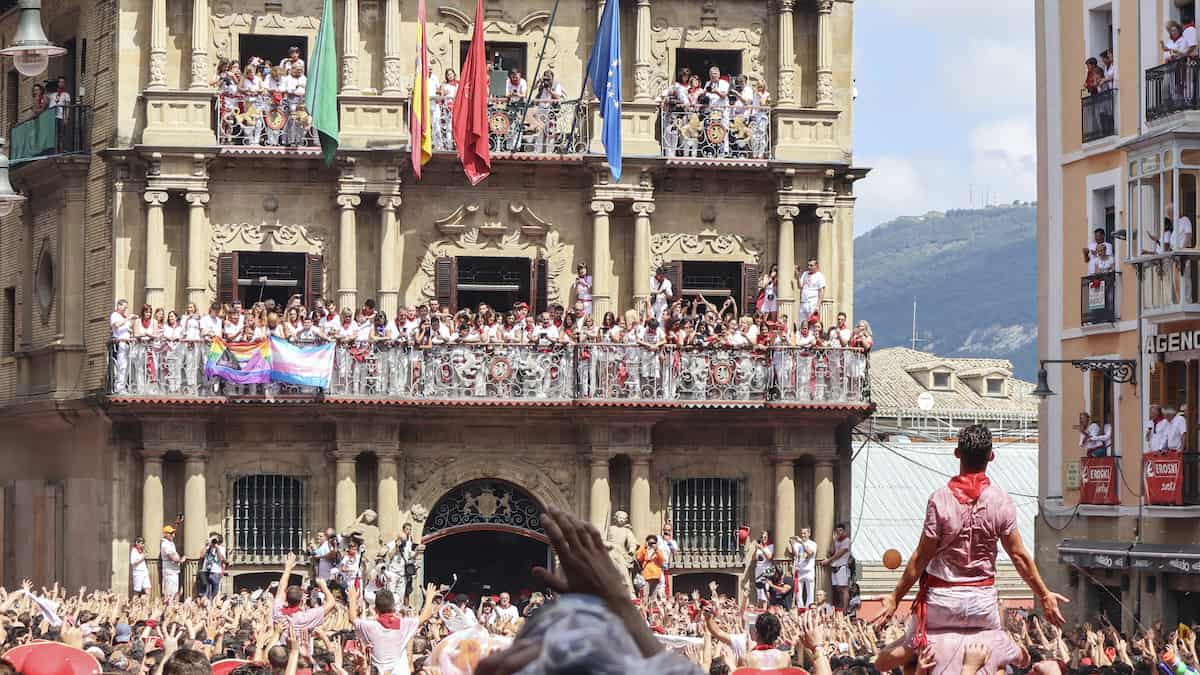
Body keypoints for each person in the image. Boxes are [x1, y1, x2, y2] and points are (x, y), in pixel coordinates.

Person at [872, 424, 1068, 675]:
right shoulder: (1001, 500)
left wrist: (895, 597)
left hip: (941, 603)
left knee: (888, 661)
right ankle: (1017, 654)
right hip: (982, 603)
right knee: (1003, 651)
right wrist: (1043, 595)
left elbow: (921, 557)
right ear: (991, 456)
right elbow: (1019, 556)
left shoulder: (939, 499)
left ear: (957, 454)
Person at [349, 582, 438, 675]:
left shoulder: (369, 627)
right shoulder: (404, 624)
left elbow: (352, 618)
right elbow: (425, 615)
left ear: (375, 609)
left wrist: (352, 598)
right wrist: (429, 597)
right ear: (393, 608)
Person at [272, 552, 337, 647]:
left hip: (280, 650)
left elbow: (281, 588)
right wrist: (323, 586)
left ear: (286, 599)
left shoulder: (278, 610)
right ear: (302, 600)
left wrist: (288, 568)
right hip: (300, 655)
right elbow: (331, 603)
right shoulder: (305, 617)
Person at [819, 523, 851, 608]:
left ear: (844, 531)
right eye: (837, 531)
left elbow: (840, 554)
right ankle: (841, 606)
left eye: (841, 530)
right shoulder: (837, 541)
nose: (839, 533)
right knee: (838, 589)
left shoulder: (847, 540)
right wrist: (833, 541)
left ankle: (845, 609)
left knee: (844, 588)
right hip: (834, 567)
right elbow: (832, 551)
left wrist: (828, 561)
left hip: (842, 567)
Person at [790, 527, 818, 608]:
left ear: (809, 534)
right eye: (802, 533)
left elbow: (810, 553)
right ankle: (800, 609)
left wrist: (802, 543)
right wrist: (792, 544)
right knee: (798, 594)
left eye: (805, 533)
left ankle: (809, 609)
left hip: (809, 571)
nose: (803, 535)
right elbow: (796, 554)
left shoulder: (813, 544)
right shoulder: (797, 544)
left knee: (810, 593)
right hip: (799, 571)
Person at [635, 535, 667, 604]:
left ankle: (650, 612)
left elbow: (661, 560)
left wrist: (657, 550)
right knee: (645, 597)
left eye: (653, 543)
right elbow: (638, 557)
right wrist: (644, 547)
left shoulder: (658, 550)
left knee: (653, 598)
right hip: (646, 576)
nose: (652, 544)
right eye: (650, 543)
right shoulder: (644, 549)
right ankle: (644, 612)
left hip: (655, 576)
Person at [797, 259, 826, 326]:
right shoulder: (805, 274)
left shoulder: (819, 275)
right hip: (804, 302)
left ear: (816, 266)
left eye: (811, 265)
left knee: (813, 322)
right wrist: (798, 276)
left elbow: (822, 291)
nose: (809, 267)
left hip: (812, 302)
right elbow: (800, 286)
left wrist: (817, 305)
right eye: (808, 265)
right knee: (802, 323)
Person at [199, 533, 227, 599]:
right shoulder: (208, 547)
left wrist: (217, 548)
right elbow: (201, 555)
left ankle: (213, 604)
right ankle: (207, 603)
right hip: (205, 571)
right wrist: (206, 545)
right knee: (205, 591)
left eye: (215, 539)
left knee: (215, 591)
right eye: (212, 538)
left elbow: (221, 559)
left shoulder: (221, 548)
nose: (213, 540)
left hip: (215, 571)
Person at [159, 525, 182, 602]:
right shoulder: (165, 544)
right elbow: (172, 557)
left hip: (174, 570)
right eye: (171, 533)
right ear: (165, 534)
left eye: (173, 533)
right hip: (169, 571)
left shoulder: (170, 543)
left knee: (174, 592)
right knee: (169, 593)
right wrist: (181, 560)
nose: (173, 535)